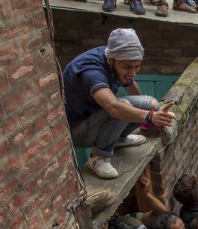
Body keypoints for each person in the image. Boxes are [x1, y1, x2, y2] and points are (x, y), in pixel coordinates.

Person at [63, 29, 175, 179]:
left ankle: (119, 139)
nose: (133, 73)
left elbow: (131, 84)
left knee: (152, 104)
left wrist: (151, 111)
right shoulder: (91, 71)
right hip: (77, 133)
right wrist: (149, 117)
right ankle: (98, 157)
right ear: (111, 60)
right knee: (123, 105)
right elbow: (113, 107)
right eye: (128, 67)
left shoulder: (116, 58)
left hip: (95, 120)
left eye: (137, 66)